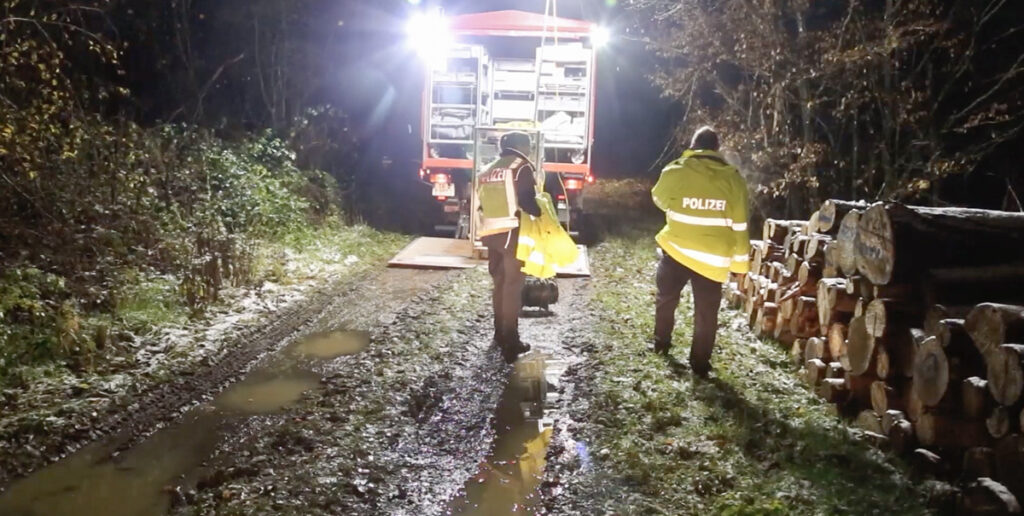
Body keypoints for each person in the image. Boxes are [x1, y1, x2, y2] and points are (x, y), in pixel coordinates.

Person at [650, 126, 751, 377]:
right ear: (717, 150)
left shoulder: (675, 171)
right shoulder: (733, 179)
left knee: (666, 299)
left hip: (677, 250)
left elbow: (658, 198)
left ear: (693, 146)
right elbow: (740, 225)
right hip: (712, 260)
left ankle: (661, 344)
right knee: (706, 314)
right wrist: (739, 267)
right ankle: (700, 364)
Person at [477, 131, 542, 363]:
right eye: (529, 145)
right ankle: (511, 341)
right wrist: (542, 212)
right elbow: (527, 201)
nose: (531, 149)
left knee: (500, 284)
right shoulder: (521, 167)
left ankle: (499, 333)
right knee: (513, 287)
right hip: (511, 233)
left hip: (491, 233)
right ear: (520, 146)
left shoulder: (489, 167)